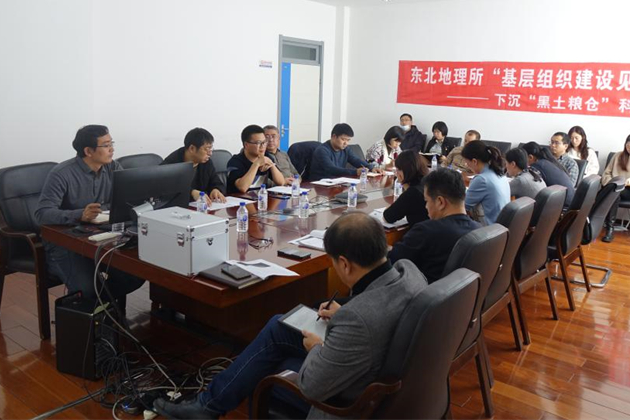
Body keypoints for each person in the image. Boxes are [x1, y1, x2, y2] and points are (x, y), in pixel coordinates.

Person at [153, 213, 427, 419]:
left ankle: (207, 407)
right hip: (383, 365)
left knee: (270, 367)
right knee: (279, 325)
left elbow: (312, 387)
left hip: (352, 400)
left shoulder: (357, 319)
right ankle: (206, 406)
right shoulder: (409, 273)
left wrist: (316, 348)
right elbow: (375, 313)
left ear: (344, 263)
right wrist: (344, 312)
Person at [34, 125, 144, 309]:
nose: (112, 149)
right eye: (106, 145)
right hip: (66, 243)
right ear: (88, 151)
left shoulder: (113, 167)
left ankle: (101, 310)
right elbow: (42, 214)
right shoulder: (62, 174)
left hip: (103, 236)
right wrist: (79, 215)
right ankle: (89, 311)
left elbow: (127, 198)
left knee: (134, 275)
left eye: (112, 143)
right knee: (87, 288)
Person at [387, 168, 480, 283]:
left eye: (426, 201)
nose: (426, 206)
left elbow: (390, 262)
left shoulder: (425, 231)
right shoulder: (479, 230)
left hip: (421, 291)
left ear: (440, 202)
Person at [161, 128, 226, 205]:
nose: (210, 153)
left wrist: (216, 189)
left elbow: (216, 182)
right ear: (192, 148)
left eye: (211, 148)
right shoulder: (171, 165)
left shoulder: (206, 162)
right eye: (206, 149)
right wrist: (191, 192)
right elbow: (167, 190)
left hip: (201, 208)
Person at [461, 140, 511, 225]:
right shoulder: (500, 173)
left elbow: (463, 206)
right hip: (500, 227)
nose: (467, 165)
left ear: (474, 161)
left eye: (467, 162)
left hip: (488, 228)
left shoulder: (482, 179)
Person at [227, 125, 285, 193]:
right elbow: (242, 188)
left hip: (261, 197)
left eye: (264, 142)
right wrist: (256, 164)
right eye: (258, 143)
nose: (263, 146)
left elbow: (281, 182)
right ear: (246, 145)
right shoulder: (235, 162)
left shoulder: (267, 157)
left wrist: (271, 164)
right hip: (239, 198)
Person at [309, 123, 377, 181]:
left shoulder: (345, 149)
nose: (346, 143)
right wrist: (356, 172)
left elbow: (356, 160)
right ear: (334, 136)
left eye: (348, 140)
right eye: (343, 139)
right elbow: (332, 169)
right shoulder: (322, 150)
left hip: (337, 182)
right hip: (320, 185)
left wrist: (371, 168)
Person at [383, 151, 430, 229]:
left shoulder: (412, 192)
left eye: (398, 170)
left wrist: (404, 184)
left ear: (404, 171)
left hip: (421, 234)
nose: (396, 173)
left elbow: (388, 216)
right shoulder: (428, 182)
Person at [521, 142, 575, 208]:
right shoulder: (549, 162)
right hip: (569, 204)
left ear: (530, 157)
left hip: (561, 207)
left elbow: (529, 184)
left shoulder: (537, 166)